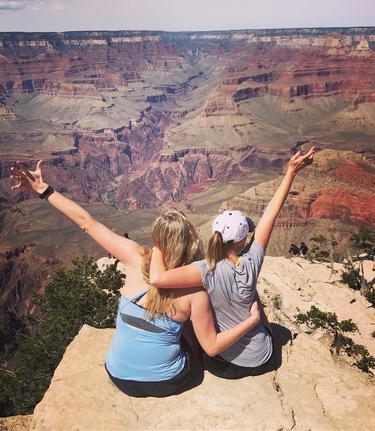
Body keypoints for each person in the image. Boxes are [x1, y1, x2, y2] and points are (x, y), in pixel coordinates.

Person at [10, 160, 261, 398]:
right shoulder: (195, 292)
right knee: (190, 330)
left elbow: (87, 223)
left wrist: (43, 189)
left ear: (156, 239)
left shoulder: (133, 257)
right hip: (168, 381)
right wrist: (252, 320)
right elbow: (213, 347)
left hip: (117, 374)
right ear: (189, 242)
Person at [149, 146, 316, 379]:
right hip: (264, 357)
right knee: (256, 305)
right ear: (243, 239)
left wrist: (159, 242)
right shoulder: (252, 260)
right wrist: (291, 172)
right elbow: (270, 214)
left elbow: (157, 279)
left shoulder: (205, 270)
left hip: (224, 365)